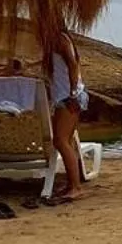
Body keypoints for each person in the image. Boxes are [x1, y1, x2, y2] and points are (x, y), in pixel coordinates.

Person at [41, 27, 89, 202]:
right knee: (64, 141)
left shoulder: (60, 39)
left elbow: (72, 64)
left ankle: (76, 187)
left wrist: (73, 94)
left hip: (69, 97)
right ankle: (72, 184)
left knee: (60, 141)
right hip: (64, 97)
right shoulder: (54, 40)